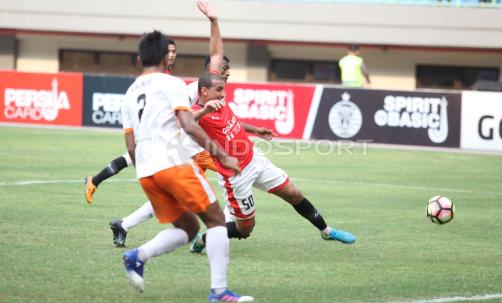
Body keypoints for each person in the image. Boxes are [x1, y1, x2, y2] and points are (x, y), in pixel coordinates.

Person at [120, 5, 253, 303]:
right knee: (217, 220)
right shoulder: (172, 84)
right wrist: (222, 155)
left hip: (147, 172)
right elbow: (189, 124)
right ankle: (219, 292)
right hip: (174, 164)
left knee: (189, 227)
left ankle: (137, 256)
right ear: (166, 56)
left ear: (140, 58)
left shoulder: (129, 94)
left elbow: (130, 146)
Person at [189, 72, 357, 254]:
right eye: (219, 90)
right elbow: (187, 121)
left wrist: (255, 130)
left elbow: (232, 122)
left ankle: (327, 231)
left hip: (255, 160)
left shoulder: (219, 102)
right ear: (204, 91)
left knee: (294, 194)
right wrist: (206, 110)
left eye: (224, 89)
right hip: (235, 176)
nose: (223, 94)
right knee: (245, 229)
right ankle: (204, 239)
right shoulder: (198, 113)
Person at [108, 55, 230, 248]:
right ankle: (224, 229)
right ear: (211, 68)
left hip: (195, 148)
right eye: (224, 68)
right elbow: (184, 120)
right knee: (234, 174)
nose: (227, 72)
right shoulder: (192, 89)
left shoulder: (218, 89)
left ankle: (124, 224)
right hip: (189, 149)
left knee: (173, 196)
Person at [84, 38, 177, 205]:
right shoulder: (157, 76)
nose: (171, 55)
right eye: (168, 52)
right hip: (148, 128)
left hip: (155, 131)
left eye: (174, 52)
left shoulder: (167, 76)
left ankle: (94, 181)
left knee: (129, 158)